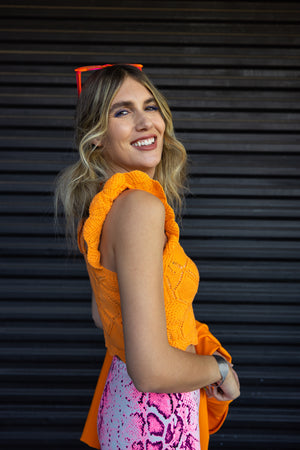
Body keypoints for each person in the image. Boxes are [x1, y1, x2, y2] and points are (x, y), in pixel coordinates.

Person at [55, 64, 240, 450]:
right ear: (96, 140)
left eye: (150, 107)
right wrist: (218, 368)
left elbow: (102, 316)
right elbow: (152, 371)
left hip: (130, 412)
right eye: (122, 112)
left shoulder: (104, 210)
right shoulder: (139, 207)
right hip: (156, 422)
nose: (145, 122)